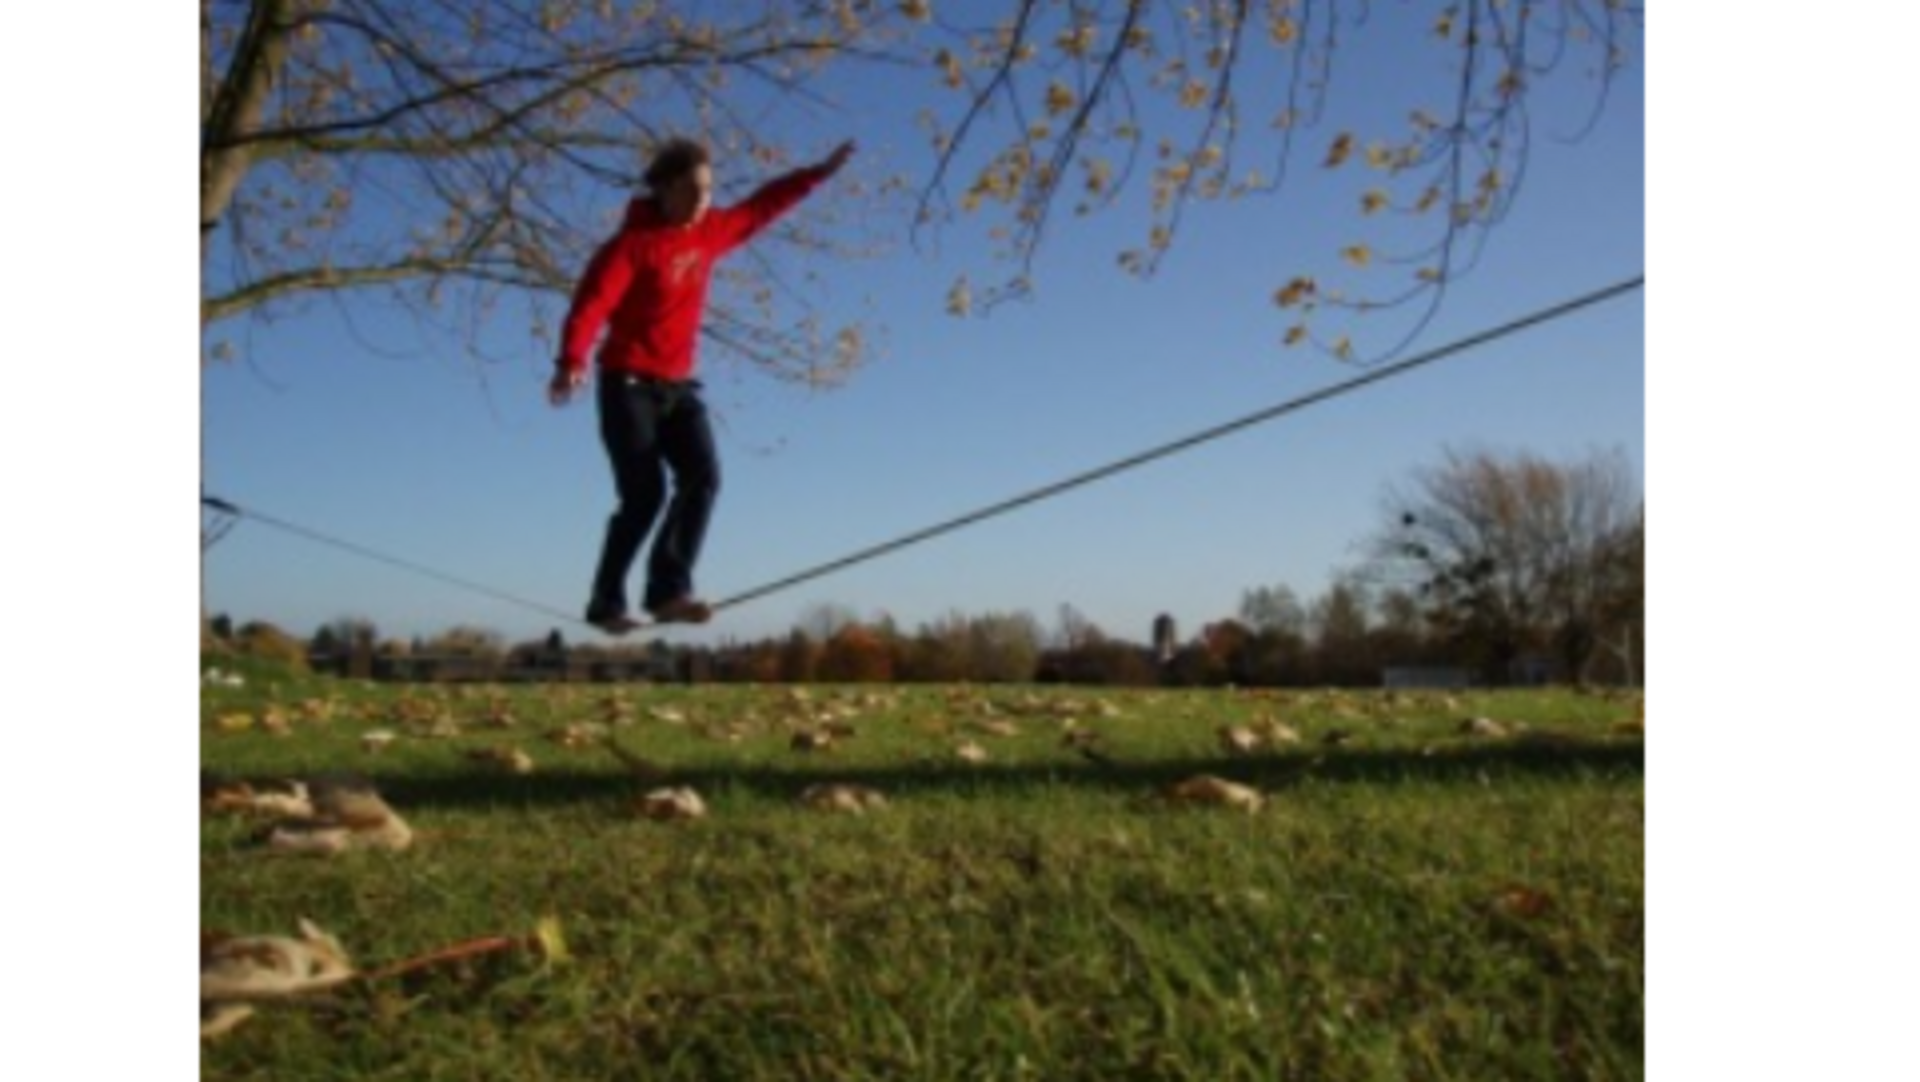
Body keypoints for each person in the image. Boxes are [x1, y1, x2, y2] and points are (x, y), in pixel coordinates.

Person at [550, 137, 856, 633]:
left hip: (677, 387)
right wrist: (571, 360)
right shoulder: (631, 246)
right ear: (666, 189)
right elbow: (591, 305)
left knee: (704, 476)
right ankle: (605, 600)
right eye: (693, 191)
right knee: (644, 496)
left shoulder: (711, 231)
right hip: (625, 384)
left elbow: (761, 208)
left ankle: (667, 590)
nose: (703, 201)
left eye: (709, 191)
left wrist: (815, 173)